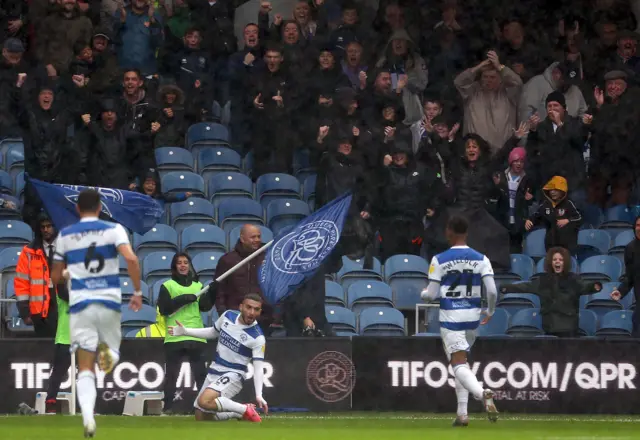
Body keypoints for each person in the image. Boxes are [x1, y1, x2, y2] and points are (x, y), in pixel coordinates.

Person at [51, 189, 143, 438]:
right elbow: (131, 259)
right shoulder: (114, 230)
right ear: (100, 207)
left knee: (85, 368)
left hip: (81, 305)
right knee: (112, 353)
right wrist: (136, 290)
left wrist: (70, 273)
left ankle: (89, 419)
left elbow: (55, 277)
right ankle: (109, 354)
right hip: (109, 302)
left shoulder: (65, 235)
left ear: (78, 209)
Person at [420, 215, 498, 427]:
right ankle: (462, 414)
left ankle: (483, 394)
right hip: (472, 317)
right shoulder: (481, 258)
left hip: (451, 318)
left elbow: (432, 294)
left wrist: (424, 293)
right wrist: (489, 310)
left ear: (450, 232)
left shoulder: (439, 259)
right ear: (466, 233)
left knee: (458, 364)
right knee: (462, 364)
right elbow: (491, 290)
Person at [168, 293, 267, 423]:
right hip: (215, 369)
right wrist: (186, 331)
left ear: (260, 311)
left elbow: (258, 368)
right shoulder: (228, 316)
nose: (252, 312)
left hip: (234, 374)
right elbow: (212, 332)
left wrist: (259, 395)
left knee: (204, 401)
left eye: (256, 309)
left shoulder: (257, 337)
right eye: (249, 307)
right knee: (201, 416)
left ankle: (244, 409)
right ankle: (235, 413)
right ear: (241, 307)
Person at [157, 252, 216, 414]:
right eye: (179, 263)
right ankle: (168, 407)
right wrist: (183, 299)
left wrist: (212, 293)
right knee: (172, 375)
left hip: (196, 334)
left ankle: (204, 407)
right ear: (174, 266)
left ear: (189, 265)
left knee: (200, 374)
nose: (183, 265)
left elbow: (204, 307)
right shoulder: (168, 286)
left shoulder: (198, 286)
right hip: (174, 335)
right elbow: (164, 309)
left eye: (185, 262)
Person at [501, 247, 602, 338]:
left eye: (561, 260)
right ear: (550, 262)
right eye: (554, 259)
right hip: (550, 328)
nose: (557, 262)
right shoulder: (543, 280)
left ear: (565, 262)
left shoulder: (573, 279)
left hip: (569, 329)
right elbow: (526, 286)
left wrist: (595, 286)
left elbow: (585, 286)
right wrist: (508, 288)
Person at [214, 224, 273, 334]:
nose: (257, 240)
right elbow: (219, 291)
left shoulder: (268, 258)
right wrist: (224, 314)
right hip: (235, 319)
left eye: (259, 236)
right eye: (253, 237)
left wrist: (272, 316)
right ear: (242, 238)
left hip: (263, 320)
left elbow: (274, 286)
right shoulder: (227, 260)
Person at [15, 213, 66, 337]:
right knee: (44, 352)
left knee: (63, 351)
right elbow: (22, 283)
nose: (46, 230)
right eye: (43, 227)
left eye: (49, 226)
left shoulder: (67, 249)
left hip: (64, 307)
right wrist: (24, 312)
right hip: (40, 313)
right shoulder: (28, 252)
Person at [525, 176, 582, 255]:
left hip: (567, 246)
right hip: (550, 245)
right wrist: (529, 220)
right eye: (550, 190)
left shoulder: (568, 204)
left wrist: (568, 220)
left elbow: (579, 218)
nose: (552, 192)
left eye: (555, 189)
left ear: (562, 190)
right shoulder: (546, 204)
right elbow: (537, 215)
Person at [610, 215, 640, 337]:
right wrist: (621, 291)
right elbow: (630, 276)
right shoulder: (631, 248)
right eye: (638, 225)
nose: (639, 228)